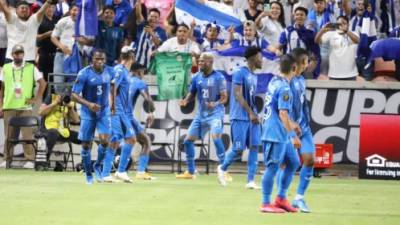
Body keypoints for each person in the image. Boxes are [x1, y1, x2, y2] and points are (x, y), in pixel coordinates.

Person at [259, 54, 301, 213]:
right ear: (294, 68)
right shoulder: (285, 88)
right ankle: (265, 203)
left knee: (293, 162)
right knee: (272, 167)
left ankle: (281, 198)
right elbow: (283, 114)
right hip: (274, 133)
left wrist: (292, 125)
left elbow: (278, 111)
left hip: (280, 131)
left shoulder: (274, 81)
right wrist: (293, 136)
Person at [176, 52, 228, 179]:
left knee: (216, 137)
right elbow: (192, 93)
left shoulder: (219, 77)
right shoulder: (196, 77)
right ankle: (191, 171)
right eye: (199, 61)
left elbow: (224, 98)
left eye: (202, 61)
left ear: (210, 62)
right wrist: (186, 101)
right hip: (201, 115)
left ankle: (224, 171)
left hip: (215, 113)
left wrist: (215, 103)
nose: (200, 63)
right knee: (188, 141)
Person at [217, 47, 262, 189]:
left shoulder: (254, 76)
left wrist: (255, 113)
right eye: (260, 57)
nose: (262, 60)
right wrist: (250, 112)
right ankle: (222, 168)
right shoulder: (239, 73)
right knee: (238, 149)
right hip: (240, 116)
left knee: (254, 146)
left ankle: (250, 181)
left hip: (252, 117)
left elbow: (251, 98)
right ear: (253, 57)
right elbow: (237, 94)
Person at [71, 49, 114, 184]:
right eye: (97, 59)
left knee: (105, 140)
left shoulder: (109, 71)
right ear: (92, 60)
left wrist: (113, 104)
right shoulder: (84, 74)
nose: (100, 61)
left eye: (102, 59)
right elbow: (73, 95)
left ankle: (97, 166)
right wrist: (89, 104)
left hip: (104, 112)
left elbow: (114, 86)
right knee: (86, 145)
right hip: (88, 113)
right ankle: (88, 173)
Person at [0, 45, 47, 169]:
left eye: (20, 53)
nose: (18, 55)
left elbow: (43, 83)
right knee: (9, 136)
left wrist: (35, 99)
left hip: (25, 107)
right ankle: (7, 159)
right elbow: (2, 88)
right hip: (9, 106)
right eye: (16, 53)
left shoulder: (31, 68)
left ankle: (30, 160)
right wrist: (1, 104)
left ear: (23, 54)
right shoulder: (5, 68)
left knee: (27, 135)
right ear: (12, 54)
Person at [102, 46, 137, 183]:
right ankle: (116, 171)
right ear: (132, 57)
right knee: (125, 139)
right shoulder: (119, 70)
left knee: (118, 140)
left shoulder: (124, 71)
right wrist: (112, 106)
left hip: (122, 111)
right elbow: (112, 86)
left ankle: (115, 172)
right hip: (117, 110)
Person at [288, 48, 316, 213]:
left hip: (303, 128)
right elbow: (283, 110)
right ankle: (280, 198)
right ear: (299, 62)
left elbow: (303, 103)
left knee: (310, 160)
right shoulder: (287, 81)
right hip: (288, 129)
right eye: (306, 61)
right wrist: (291, 131)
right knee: (288, 165)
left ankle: (299, 197)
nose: (308, 64)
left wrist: (306, 121)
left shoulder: (301, 80)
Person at [127, 63, 156, 180]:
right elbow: (147, 99)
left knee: (117, 142)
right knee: (146, 141)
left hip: (114, 115)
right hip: (127, 116)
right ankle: (140, 171)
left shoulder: (124, 80)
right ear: (138, 72)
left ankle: (112, 170)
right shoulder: (140, 82)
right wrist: (151, 112)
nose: (143, 74)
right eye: (143, 71)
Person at [279, 6, 320, 79]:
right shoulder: (287, 31)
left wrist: (313, 62)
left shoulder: (310, 33)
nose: (299, 17)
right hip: (289, 65)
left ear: (306, 17)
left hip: (304, 66)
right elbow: (279, 47)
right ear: (294, 16)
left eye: (301, 15)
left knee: (304, 87)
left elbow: (315, 51)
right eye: (297, 15)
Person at [38, 93, 80, 162]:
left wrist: (70, 108)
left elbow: (76, 120)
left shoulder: (70, 101)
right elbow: (40, 112)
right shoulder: (51, 97)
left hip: (63, 132)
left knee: (85, 138)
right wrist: (54, 103)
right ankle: (45, 160)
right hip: (47, 130)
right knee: (53, 132)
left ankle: (85, 164)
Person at [315, 16, 359, 80]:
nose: (341, 26)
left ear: (348, 25)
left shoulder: (353, 33)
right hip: (334, 74)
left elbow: (357, 40)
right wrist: (323, 30)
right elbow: (316, 41)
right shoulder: (331, 34)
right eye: (339, 24)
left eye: (344, 23)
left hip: (350, 74)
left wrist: (347, 31)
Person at [51, 4, 79, 88]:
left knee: (74, 84)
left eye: (78, 10)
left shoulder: (84, 23)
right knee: (58, 83)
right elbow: (53, 37)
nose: (76, 12)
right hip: (61, 54)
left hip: (76, 57)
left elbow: (90, 41)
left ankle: (71, 101)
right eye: (74, 10)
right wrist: (62, 47)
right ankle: (58, 100)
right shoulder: (63, 21)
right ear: (70, 11)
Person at [37, 3, 57, 84]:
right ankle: (44, 96)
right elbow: (35, 36)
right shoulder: (40, 20)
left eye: (53, 7)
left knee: (54, 78)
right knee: (45, 79)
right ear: (45, 8)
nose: (51, 9)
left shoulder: (57, 20)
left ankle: (53, 96)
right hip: (44, 54)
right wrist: (46, 34)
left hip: (55, 54)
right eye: (49, 7)